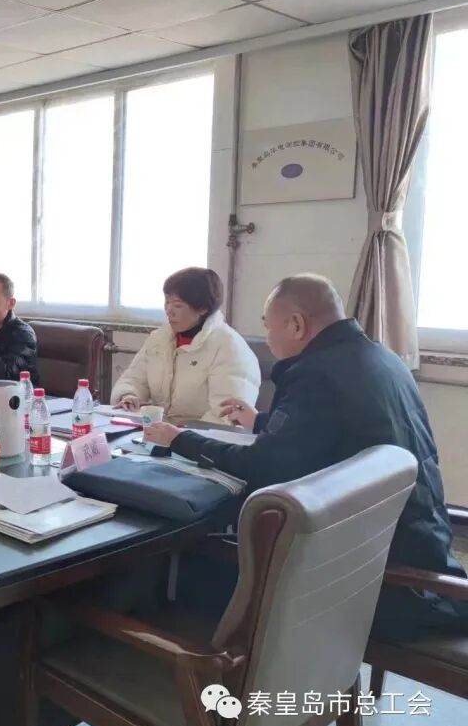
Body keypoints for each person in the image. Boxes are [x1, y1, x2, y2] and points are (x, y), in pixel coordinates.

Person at [145, 274, 467, 641]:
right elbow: (327, 431)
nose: (268, 337)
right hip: (420, 552)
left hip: (380, 583)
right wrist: (260, 421)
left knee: (191, 566)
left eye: (268, 326)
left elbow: (264, 467)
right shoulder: (381, 357)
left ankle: (201, 661)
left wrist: (181, 440)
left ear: (296, 325)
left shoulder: (316, 373)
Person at [110, 267, 259, 422]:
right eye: (167, 302)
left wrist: (181, 434)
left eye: (177, 305)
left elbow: (227, 416)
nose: (169, 311)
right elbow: (134, 378)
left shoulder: (229, 347)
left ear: (203, 308)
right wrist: (129, 396)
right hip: (158, 430)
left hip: (199, 435)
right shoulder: (159, 339)